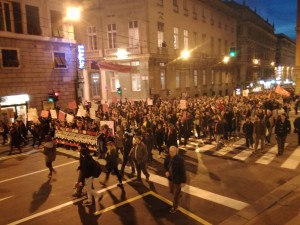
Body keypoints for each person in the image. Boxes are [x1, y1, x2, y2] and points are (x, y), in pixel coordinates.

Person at [164, 145, 186, 213]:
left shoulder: (180, 160)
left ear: (176, 151)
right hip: (170, 178)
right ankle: (179, 193)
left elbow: (182, 171)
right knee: (171, 191)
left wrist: (183, 181)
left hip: (177, 180)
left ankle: (175, 207)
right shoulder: (167, 157)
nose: (171, 153)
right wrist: (166, 171)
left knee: (175, 196)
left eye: (173, 152)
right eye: (170, 151)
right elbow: (165, 165)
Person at [80, 147, 102, 211]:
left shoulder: (85, 160)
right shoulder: (89, 157)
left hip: (88, 176)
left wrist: (81, 180)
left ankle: (97, 195)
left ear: (82, 153)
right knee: (88, 188)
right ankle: (90, 200)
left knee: (89, 189)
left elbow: (84, 171)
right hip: (91, 175)